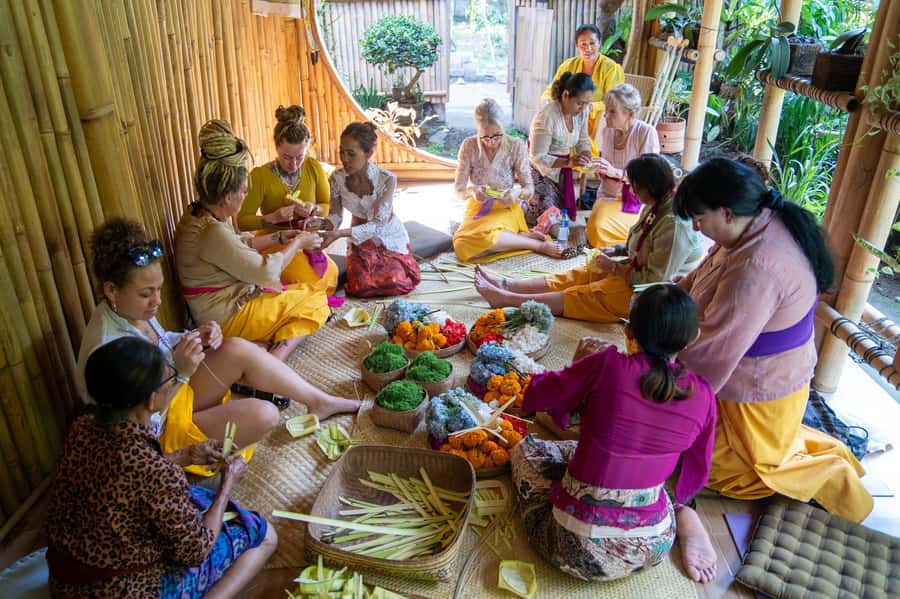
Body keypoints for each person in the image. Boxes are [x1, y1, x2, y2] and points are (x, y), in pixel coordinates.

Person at [672, 158, 872, 560]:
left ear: (727, 212)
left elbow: (712, 356)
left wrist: (658, 379)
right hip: (744, 378)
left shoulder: (757, 264)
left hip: (755, 393)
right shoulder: (752, 227)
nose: (696, 228)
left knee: (675, 459)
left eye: (698, 218)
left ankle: (829, 478)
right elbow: (699, 278)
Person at [77, 218, 359, 476]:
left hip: (170, 390)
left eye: (159, 289)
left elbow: (161, 343)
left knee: (236, 347)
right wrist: (183, 374)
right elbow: (140, 426)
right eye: (145, 293)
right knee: (265, 415)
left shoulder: (128, 311)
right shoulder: (108, 347)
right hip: (159, 429)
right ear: (112, 290)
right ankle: (199, 464)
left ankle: (318, 401)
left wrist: (193, 336)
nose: (157, 301)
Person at [511, 284, 717, 583]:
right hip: (653, 545)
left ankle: (584, 496)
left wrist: (575, 366)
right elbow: (698, 466)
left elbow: (543, 393)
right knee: (650, 478)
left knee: (525, 453)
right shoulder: (704, 395)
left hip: (572, 548)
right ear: (693, 338)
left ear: (629, 332)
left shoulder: (608, 364)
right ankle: (680, 511)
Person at [48, 337, 277, 598]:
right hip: (123, 591)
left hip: (65, 583)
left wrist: (185, 455)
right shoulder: (156, 473)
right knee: (260, 531)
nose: (173, 384)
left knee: (198, 499)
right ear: (151, 400)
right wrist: (228, 483)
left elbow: (126, 478)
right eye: (169, 380)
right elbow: (196, 549)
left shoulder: (83, 429)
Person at [474, 154, 704, 322]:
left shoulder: (675, 225)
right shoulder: (656, 203)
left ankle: (507, 299)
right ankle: (510, 285)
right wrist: (616, 251)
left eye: (633, 186)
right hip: (635, 272)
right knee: (585, 272)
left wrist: (615, 269)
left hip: (651, 298)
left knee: (587, 294)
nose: (630, 191)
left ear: (650, 187)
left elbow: (653, 283)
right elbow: (640, 243)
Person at [175, 119, 330, 361]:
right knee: (317, 300)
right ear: (227, 197)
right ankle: (271, 360)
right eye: (243, 191)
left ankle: (258, 347)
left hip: (226, 307)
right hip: (225, 320)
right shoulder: (211, 230)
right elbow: (266, 271)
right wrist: (298, 242)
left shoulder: (201, 214)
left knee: (302, 289)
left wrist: (278, 236)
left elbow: (235, 248)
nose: (245, 196)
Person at [237, 105, 339, 294]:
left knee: (330, 275)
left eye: (299, 157)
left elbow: (327, 205)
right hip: (275, 243)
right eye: (286, 157)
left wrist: (315, 210)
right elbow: (242, 222)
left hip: (305, 241)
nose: (293, 164)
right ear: (276, 146)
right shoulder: (260, 176)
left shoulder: (313, 167)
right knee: (306, 282)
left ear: (307, 149)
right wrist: (273, 217)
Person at [452, 98, 562, 262]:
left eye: (496, 135)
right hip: (478, 207)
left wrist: (516, 193)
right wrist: (472, 191)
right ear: (477, 129)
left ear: (503, 127)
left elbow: (529, 189)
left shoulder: (515, 145)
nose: (491, 142)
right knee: (460, 246)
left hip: (506, 206)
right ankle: (520, 239)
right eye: (485, 137)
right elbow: (459, 191)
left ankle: (538, 246)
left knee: (489, 238)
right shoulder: (468, 146)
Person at [320, 122, 421, 297]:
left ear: (368, 153)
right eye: (341, 152)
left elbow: (378, 225)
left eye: (351, 154)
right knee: (361, 286)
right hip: (358, 237)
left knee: (395, 282)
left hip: (386, 232)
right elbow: (335, 217)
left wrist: (339, 234)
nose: (344, 159)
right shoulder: (336, 178)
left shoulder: (386, 179)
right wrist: (320, 223)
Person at [585, 83, 661, 249]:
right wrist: (601, 171)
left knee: (598, 227)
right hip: (607, 195)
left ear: (630, 114)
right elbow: (606, 164)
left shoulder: (646, 133)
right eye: (607, 109)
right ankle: (628, 241)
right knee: (595, 227)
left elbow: (649, 179)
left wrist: (613, 171)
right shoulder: (607, 131)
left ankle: (636, 239)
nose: (606, 115)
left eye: (612, 111)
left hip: (635, 201)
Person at [541, 23, 625, 152]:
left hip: (596, 121)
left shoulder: (611, 68)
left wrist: (591, 107)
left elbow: (615, 101)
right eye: (583, 44)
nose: (588, 48)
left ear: (600, 43)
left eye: (592, 43)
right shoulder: (568, 65)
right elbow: (551, 89)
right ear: (577, 46)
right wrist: (547, 100)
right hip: (566, 118)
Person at [525, 72, 594, 227]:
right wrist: (568, 161)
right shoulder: (547, 116)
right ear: (565, 95)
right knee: (546, 222)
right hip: (540, 169)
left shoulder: (582, 112)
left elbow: (583, 139)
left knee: (560, 220)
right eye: (580, 103)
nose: (583, 108)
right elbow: (537, 156)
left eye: (587, 103)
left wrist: (585, 153)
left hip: (563, 167)